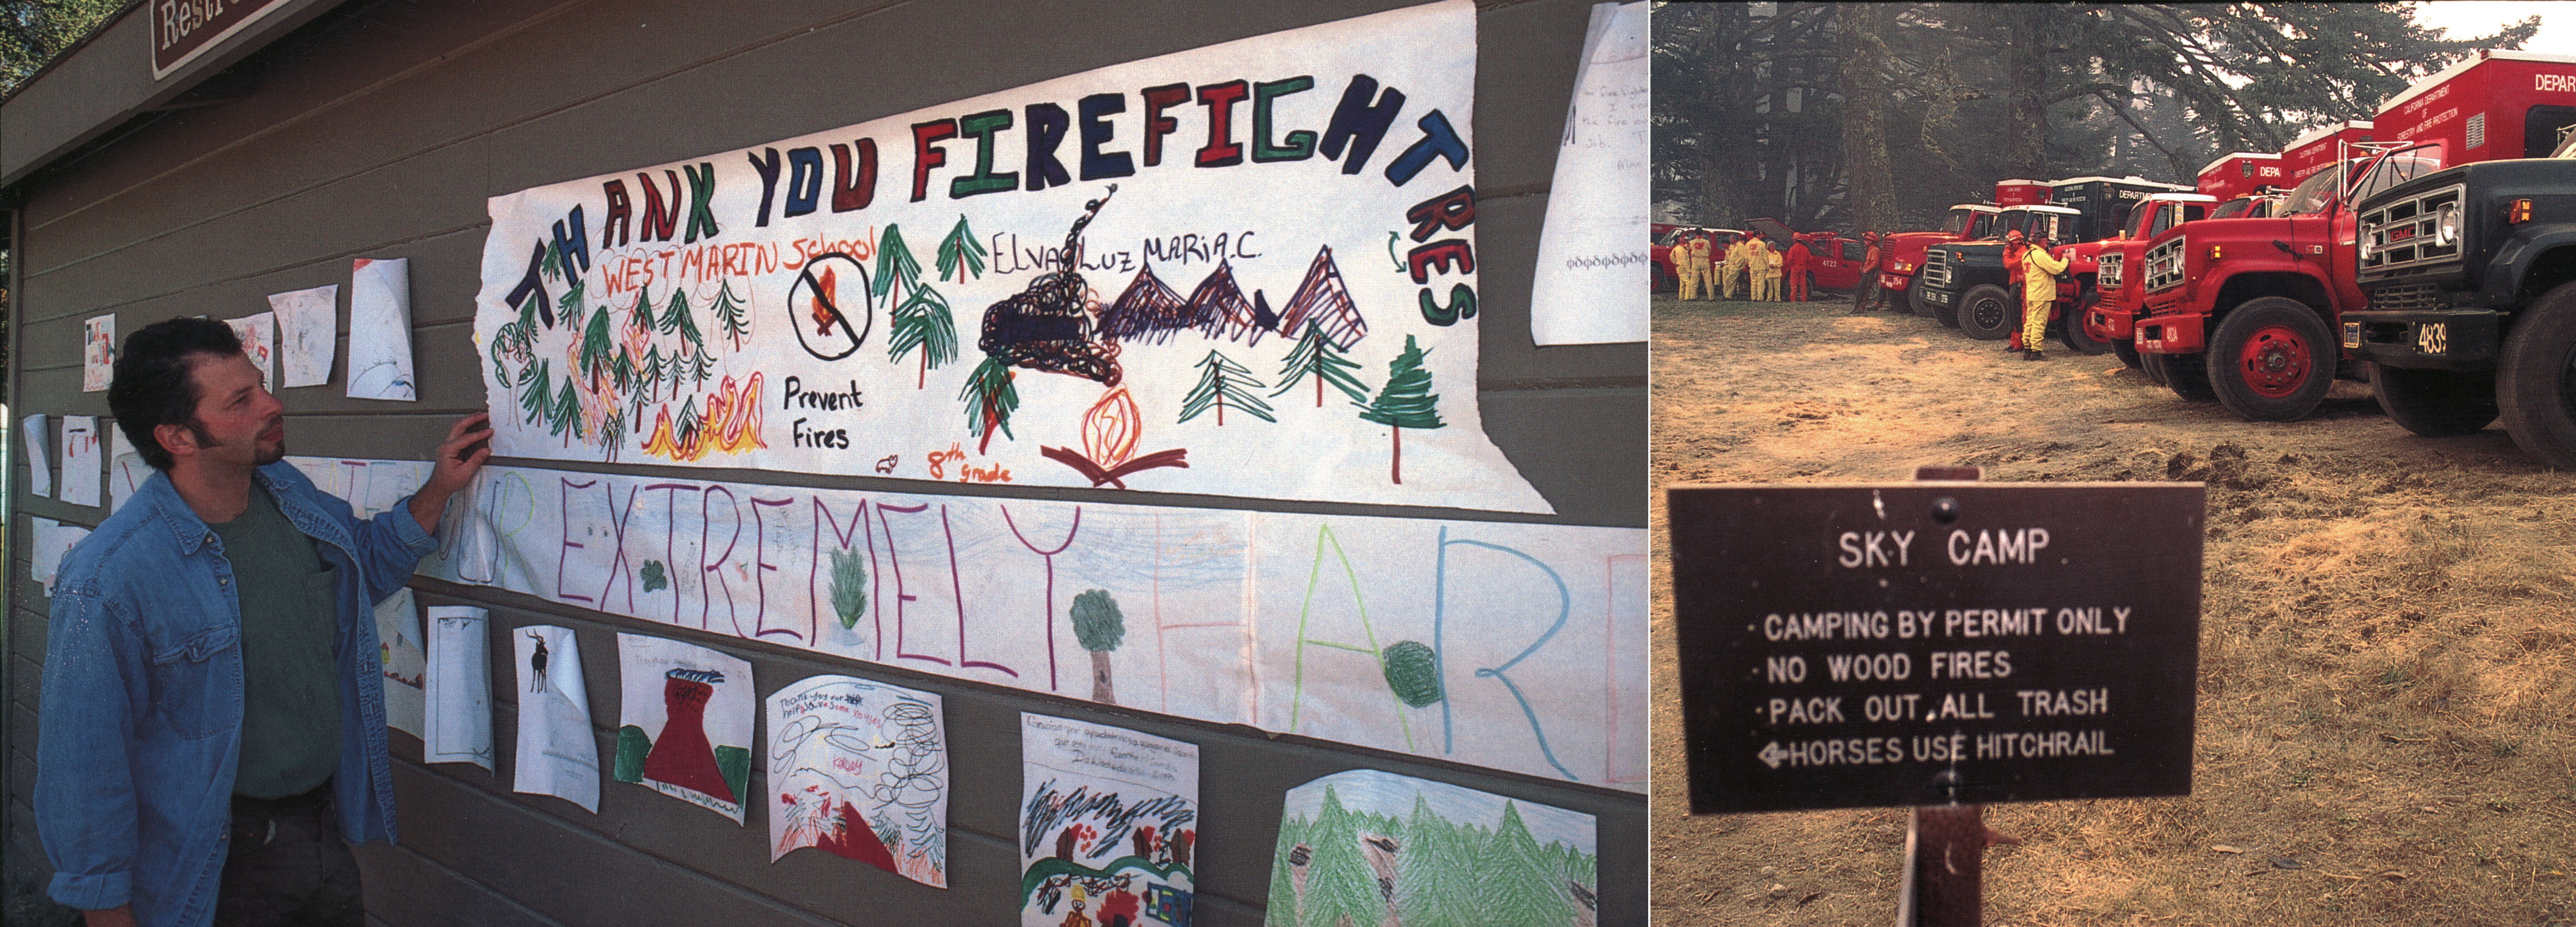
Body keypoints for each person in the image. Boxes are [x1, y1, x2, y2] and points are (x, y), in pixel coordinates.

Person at [38, 318, 493, 927]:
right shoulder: (108, 579)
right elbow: (83, 765)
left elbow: (363, 569)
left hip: (320, 831)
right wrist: (107, 911)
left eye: (261, 385)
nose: (272, 405)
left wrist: (440, 487)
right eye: (241, 400)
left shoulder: (286, 493)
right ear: (178, 436)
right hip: (210, 864)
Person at [2010, 228, 2071, 361]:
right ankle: (2036, 351)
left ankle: (2027, 349)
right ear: (2043, 241)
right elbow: (2056, 269)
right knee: (2039, 323)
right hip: (2042, 294)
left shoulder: (2027, 255)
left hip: (2032, 293)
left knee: (2030, 322)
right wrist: (2066, 260)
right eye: (2046, 241)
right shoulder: (2040, 255)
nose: (2048, 243)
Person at [1851, 231, 1885, 315]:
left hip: (1871, 273)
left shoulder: (1875, 250)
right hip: (1868, 273)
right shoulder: (1870, 250)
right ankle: (1859, 308)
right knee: (1862, 290)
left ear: (1871, 241)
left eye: (1866, 240)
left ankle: (1860, 308)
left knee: (1864, 290)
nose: (1865, 242)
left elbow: (1875, 263)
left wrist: (1866, 270)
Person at [1671, 229, 1703, 300]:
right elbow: (1684, 262)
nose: (1683, 239)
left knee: (1683, 283)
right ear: (1680, 241)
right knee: (1688, 283)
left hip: (1680, 267)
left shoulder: (1679, 248)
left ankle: (1681, 298)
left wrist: (1676, 263)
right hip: (1683, 268)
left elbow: (1672, 256)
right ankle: (1687, 298)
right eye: (1682, 239)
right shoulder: (1681, 250)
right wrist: (1689, 271)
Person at [1784, 236, 1811, 303]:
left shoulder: (1793, 249)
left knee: (1794, 284)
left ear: (1795, 241)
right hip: (1803, 268)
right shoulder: (1805, 249)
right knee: (1803, 284)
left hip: (1795, 267)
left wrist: (1793, 263)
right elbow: (1810, 259)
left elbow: (1789, 260)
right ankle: (1804, 300)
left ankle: (1793, 300)